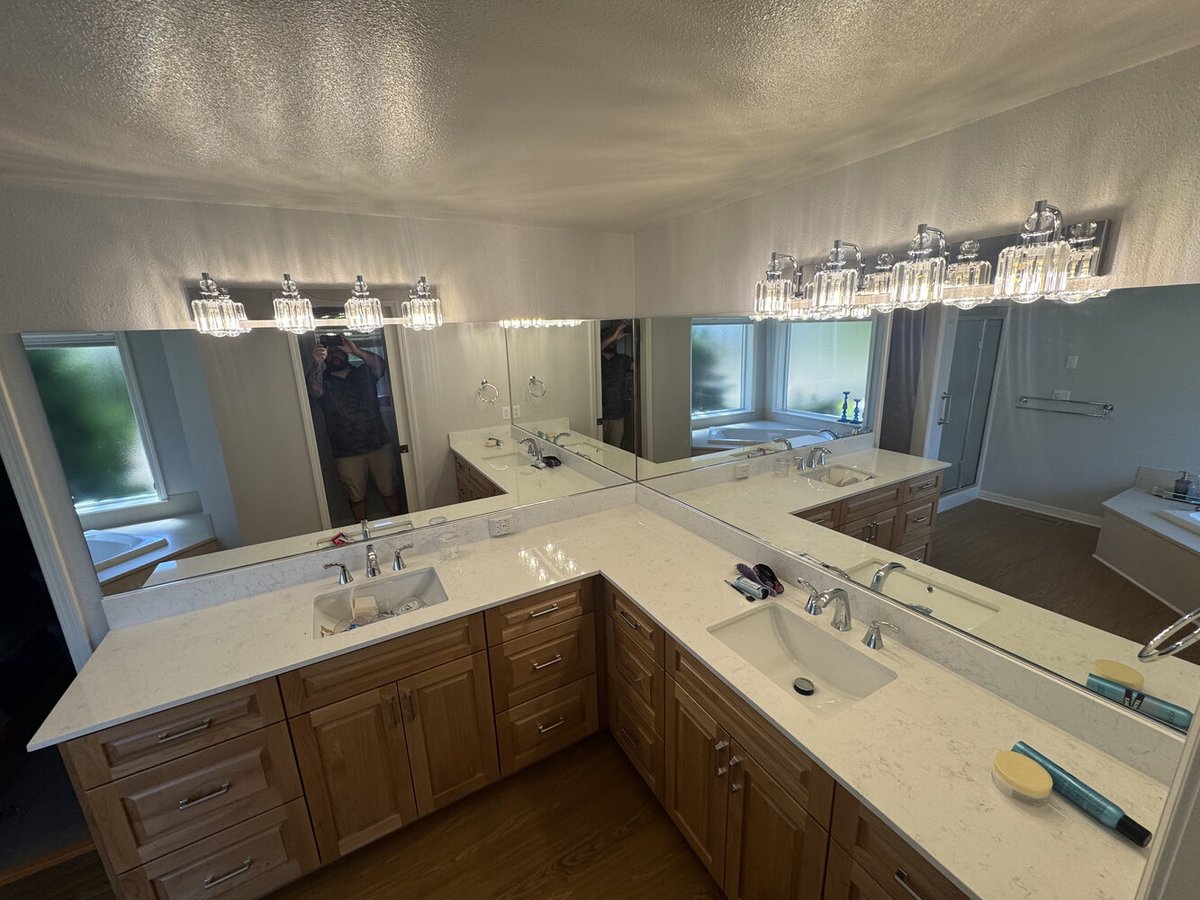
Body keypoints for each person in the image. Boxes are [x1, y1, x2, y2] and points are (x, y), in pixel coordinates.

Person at [308, 334, 402, 521]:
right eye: (330, 352)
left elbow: (381, 365)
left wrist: (357, 351)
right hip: (345, 452)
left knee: (390, 490)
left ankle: (400, 525)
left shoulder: (363, 373)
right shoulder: (322, 380)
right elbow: (313, 390)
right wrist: (316, 363)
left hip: (378, 444)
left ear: (346, 353)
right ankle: (362, 531)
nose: (334, 355)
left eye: (338, 351)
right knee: (356, 497)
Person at [600, 322, 634, 448]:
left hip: (618, 415)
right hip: (599, 416)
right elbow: (591, 351)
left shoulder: (622, 360)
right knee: (598, 451)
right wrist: (612, 337)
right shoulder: (595, 358)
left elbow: (641, 367)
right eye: (610, 337)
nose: (613, 341)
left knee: (615, 451)